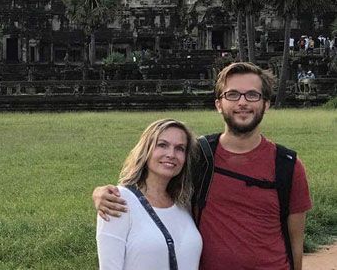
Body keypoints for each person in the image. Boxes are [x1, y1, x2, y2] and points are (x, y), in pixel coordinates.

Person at [93, 62, 312, 270]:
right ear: (219, 104)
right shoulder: (199, 155)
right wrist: (102, 193)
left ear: (266, 103)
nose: (242, 102)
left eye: (252, 95)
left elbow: (295, 245)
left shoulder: (287, 166)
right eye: (232, 95)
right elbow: (155, 180)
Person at [96, 119, 202, 270]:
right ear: (146, 149)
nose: (171, 154)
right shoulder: (118, 201)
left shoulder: (184, 204)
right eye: (162, 145)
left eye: (180, 148)